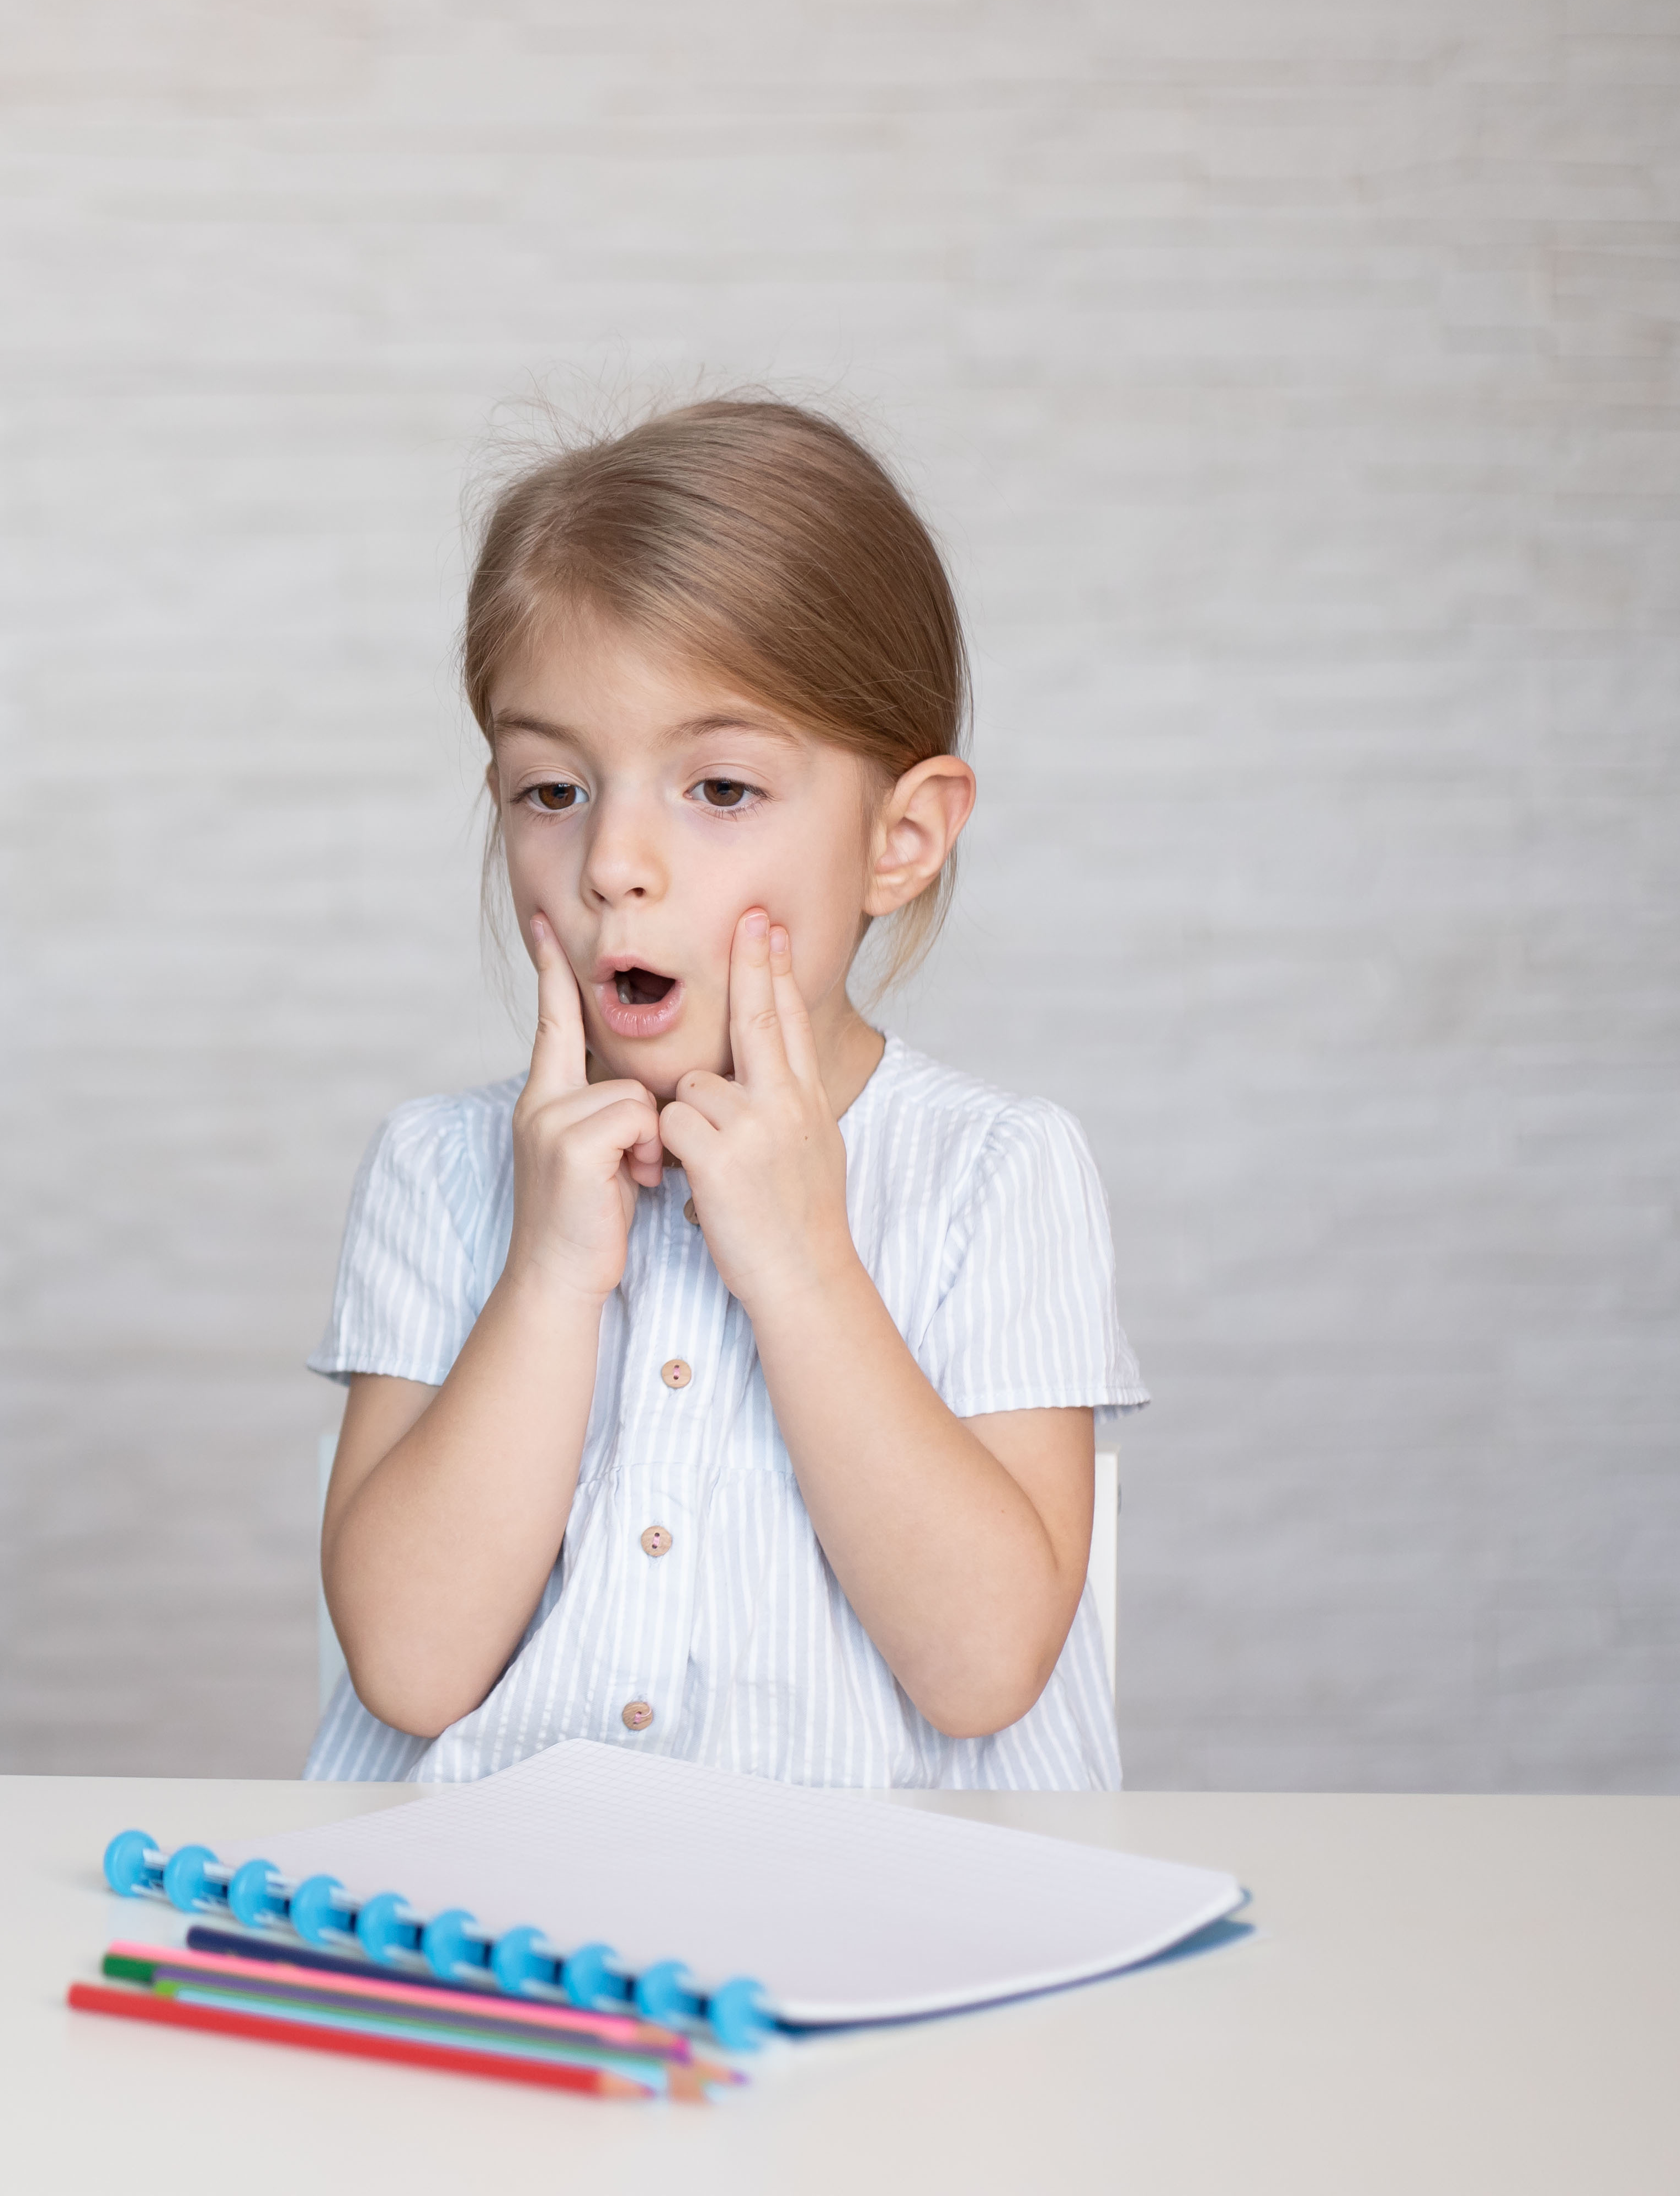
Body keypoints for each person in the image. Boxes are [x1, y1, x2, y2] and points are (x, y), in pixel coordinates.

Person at [308, 399, 1144, 1791]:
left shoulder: (998, 1169)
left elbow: (986, 1665)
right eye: (553, 790)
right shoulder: (439, 1168)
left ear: (902, 838)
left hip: (898, 1909)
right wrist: (548, 1275)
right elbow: (407, 1663)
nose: (612, 864)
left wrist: (806, 1266)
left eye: (719, 787)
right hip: (508, 1908)